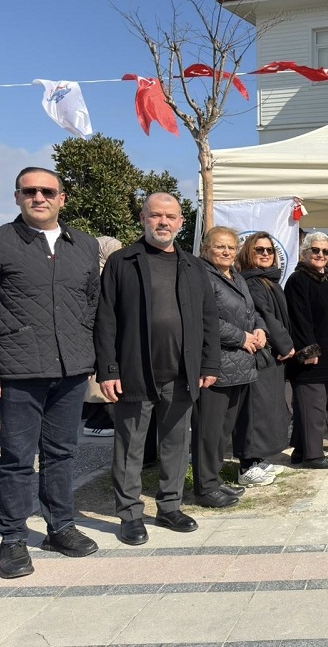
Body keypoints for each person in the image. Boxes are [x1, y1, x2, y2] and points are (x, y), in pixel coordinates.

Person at [0, 167, 100, 578]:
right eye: (30, 191)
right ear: (17, 198)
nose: (39, 197)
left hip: (70, 369)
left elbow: (91, 307)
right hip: (17, 370)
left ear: (62, 198)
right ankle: (12, 538)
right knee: (15, 458)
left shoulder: (83, 245)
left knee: (62, 452)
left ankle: (60, 526)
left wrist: (92, 360)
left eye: (48, 191)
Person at [95, 193, 219, 545]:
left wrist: (210, 362)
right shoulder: (123, 262)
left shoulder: (194, 266)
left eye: (170, 216)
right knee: (130, 447)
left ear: (182, 222)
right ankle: (130, 514)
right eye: (155, 216)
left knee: (177, 445)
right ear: (143, 218)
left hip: (183, 373)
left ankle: (170, 506)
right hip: (135, 372)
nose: (163, 222)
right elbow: (105, 319)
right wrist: (108, 369)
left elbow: (208, 318)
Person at [193, 227, 268, 506]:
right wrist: (241, 337)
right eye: (219, 247)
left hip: (240, 364)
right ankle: (204, 487)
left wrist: (259, 330)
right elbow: (206, 318)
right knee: (208, 431)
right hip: (217, 364)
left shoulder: (235, 276)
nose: (226, 252)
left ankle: (214, 480)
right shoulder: (201, 275)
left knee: (223, 430)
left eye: (231, 247)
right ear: (206, 249)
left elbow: (251, 312)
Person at [285, 232, 328, 469]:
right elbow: (299, 318)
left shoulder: (325, 279)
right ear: (304, 253)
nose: (321, 255)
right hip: (312, 357)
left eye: (326, 251)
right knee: (312, 407)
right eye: (316, 250)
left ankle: (302, 450)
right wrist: (308, 350)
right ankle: (313, 455)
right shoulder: (299, 280)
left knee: (311, 406)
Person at [235, 232, 295, 479]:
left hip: (271, 355)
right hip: (259, 355)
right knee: (254, 410)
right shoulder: (250, 282)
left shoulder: (267, 280)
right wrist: (285, 345)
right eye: (259, 250)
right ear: (249, 251)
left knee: (267, 409)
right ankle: (247, 465)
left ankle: (258, 459)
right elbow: (266, 316)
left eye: (269, 250)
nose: (265, 254)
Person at [82, 236, 123, 439]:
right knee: (99, 384)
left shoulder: (95, 270)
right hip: (97, 336)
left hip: (97, 336)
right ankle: (96, 423)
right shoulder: (99, 274)